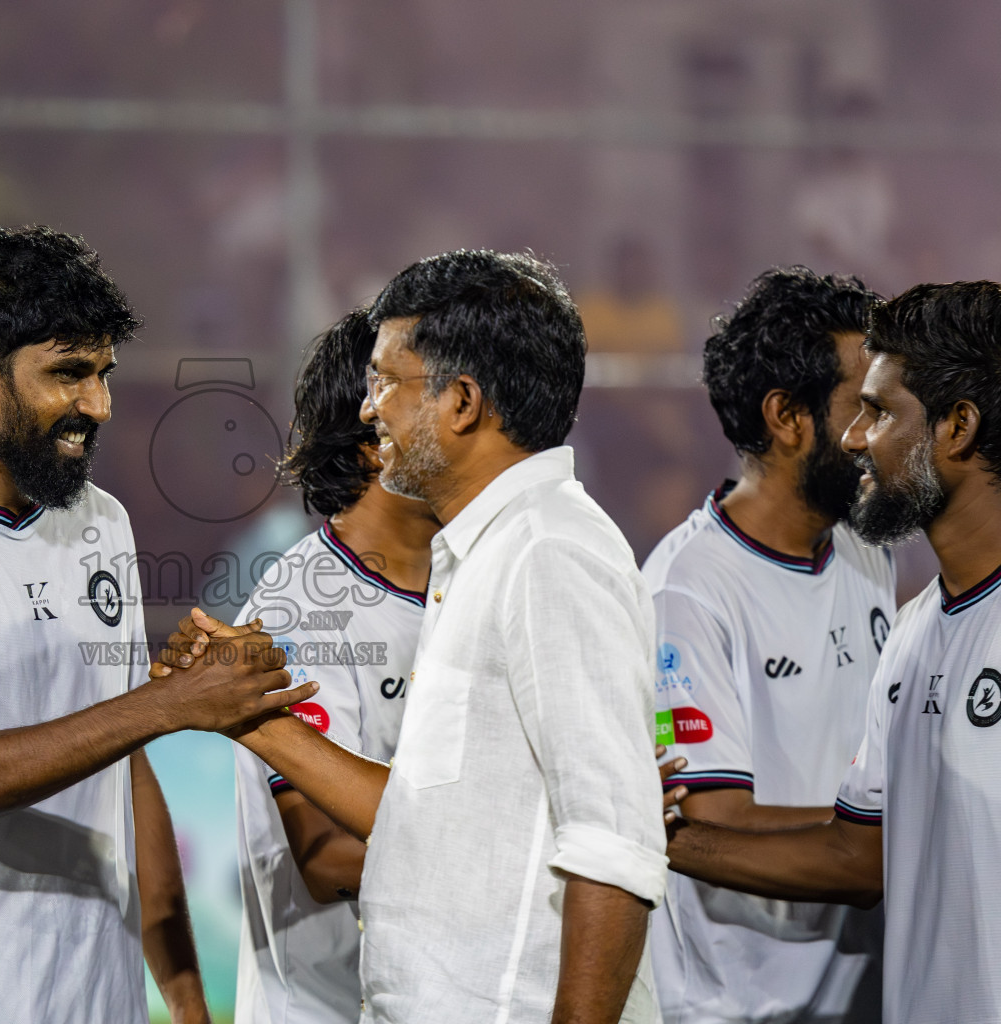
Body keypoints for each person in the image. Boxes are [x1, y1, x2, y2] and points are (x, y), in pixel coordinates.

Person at [0, 225, 315, 1023]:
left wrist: (184, 997)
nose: (98, 405)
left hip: (91, 997)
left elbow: (124, 772)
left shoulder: (99, 522)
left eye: (104, 374)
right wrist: (171, 705)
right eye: (68, 373)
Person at [164, 250, 668, 1023]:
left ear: (462, 402)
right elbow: (434, 821)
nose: (369, 411)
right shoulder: (475, 560)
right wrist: (252, 716)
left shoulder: (549, 554)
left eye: (388, 384)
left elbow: (610, 850)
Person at [663, 281, 1001, 1023]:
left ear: (958, 427)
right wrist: (655, 837)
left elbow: (870, 851)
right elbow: (858, 850)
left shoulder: (872, 564)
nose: (856, 438)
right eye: (857, 405)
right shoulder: (916, 628)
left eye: (879, 412)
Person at [646, 268, 889, 1023]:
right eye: (863, 408)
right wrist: (888, 840)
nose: (878, 434)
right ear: (787, 416)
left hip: (860, 992)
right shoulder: (685, 590)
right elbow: (710, 822)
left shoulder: (866, 551)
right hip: (738, 1007)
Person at [231, 309, 437, 1023]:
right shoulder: (297, 609)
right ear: (374, 438)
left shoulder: (473, 579)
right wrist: (523, 843)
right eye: (435, 398)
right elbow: (325, 854)